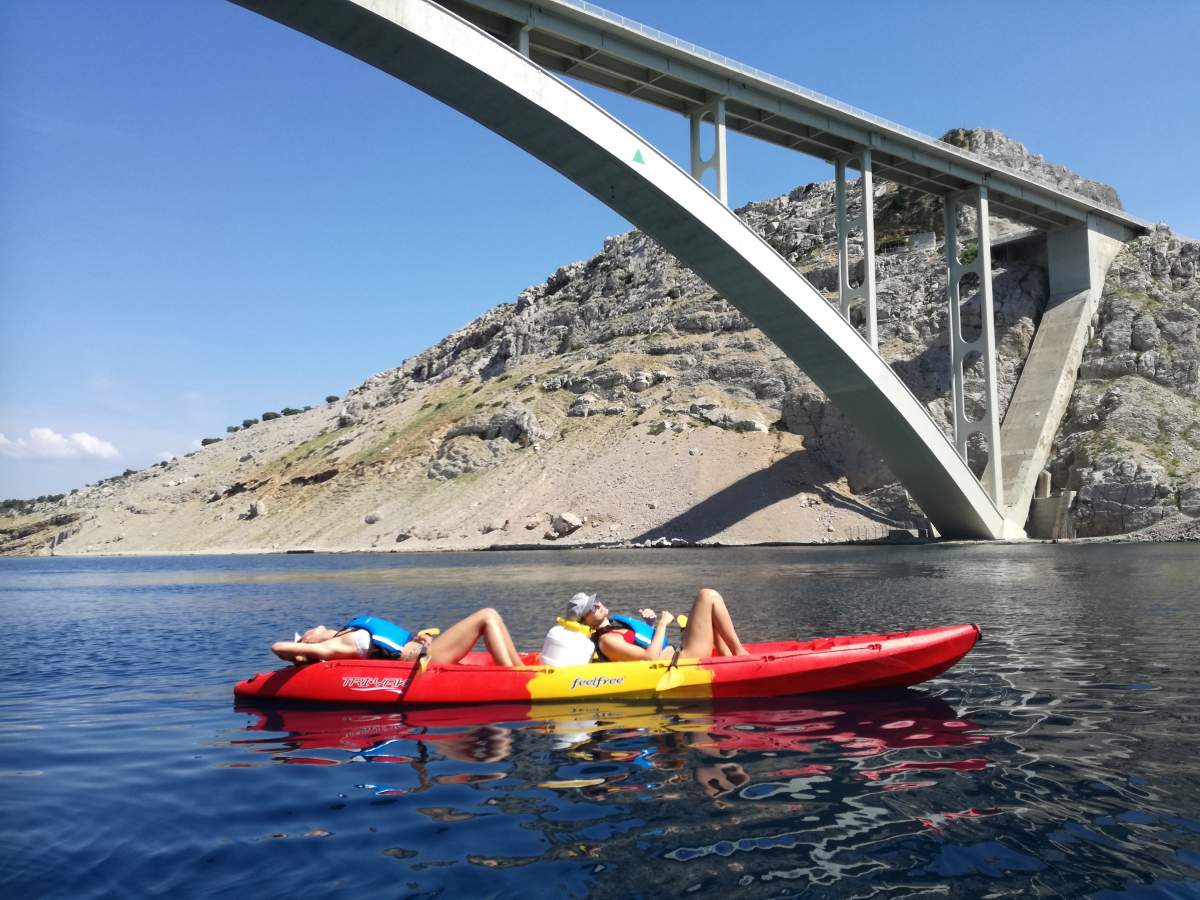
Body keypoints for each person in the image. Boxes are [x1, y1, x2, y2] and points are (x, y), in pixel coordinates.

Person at [270, 608, 523, 667]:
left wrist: (418, 635)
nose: (308, 629)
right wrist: (300, 651)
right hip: (425, 659)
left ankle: (521, 669)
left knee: (494, 617)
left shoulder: (349, 628)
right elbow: (278, 647)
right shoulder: (332, 646)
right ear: (310, 643)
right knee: (487, 616)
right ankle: (513, 677)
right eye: (303, 636)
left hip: (425, 647)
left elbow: (393, 637)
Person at [565, 588, 750, 663]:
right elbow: (650, 657)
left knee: (711, 601)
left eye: (595, 601)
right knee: (707, 596)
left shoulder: (615, 624)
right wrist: (662, 624)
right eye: (589, 609)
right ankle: (739, 654)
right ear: (584, 621)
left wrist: (650, 625)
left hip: (678, 652)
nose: (596, 605)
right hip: (681, 661)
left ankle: (729, 656)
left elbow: (645, 644)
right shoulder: (607, 641)